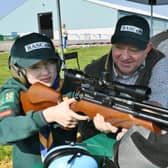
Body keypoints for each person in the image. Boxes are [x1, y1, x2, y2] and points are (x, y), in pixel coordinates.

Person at [0, 32, 88, 168]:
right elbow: (3, 130)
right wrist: (46, 116)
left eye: (50, 63)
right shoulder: (14, 90)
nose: (45, 72)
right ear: (19, 71)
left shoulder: (68, 86)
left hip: (67, 162)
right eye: (35, 67)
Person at [78, 14, 168, 143]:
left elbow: (157, 103)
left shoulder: (160, 62)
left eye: (134, 50)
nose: (125, 56)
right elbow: (80, 106)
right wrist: (93, 119)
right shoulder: (93, 70)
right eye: (119, 47)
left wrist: (134, 124)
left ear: (148, 49)